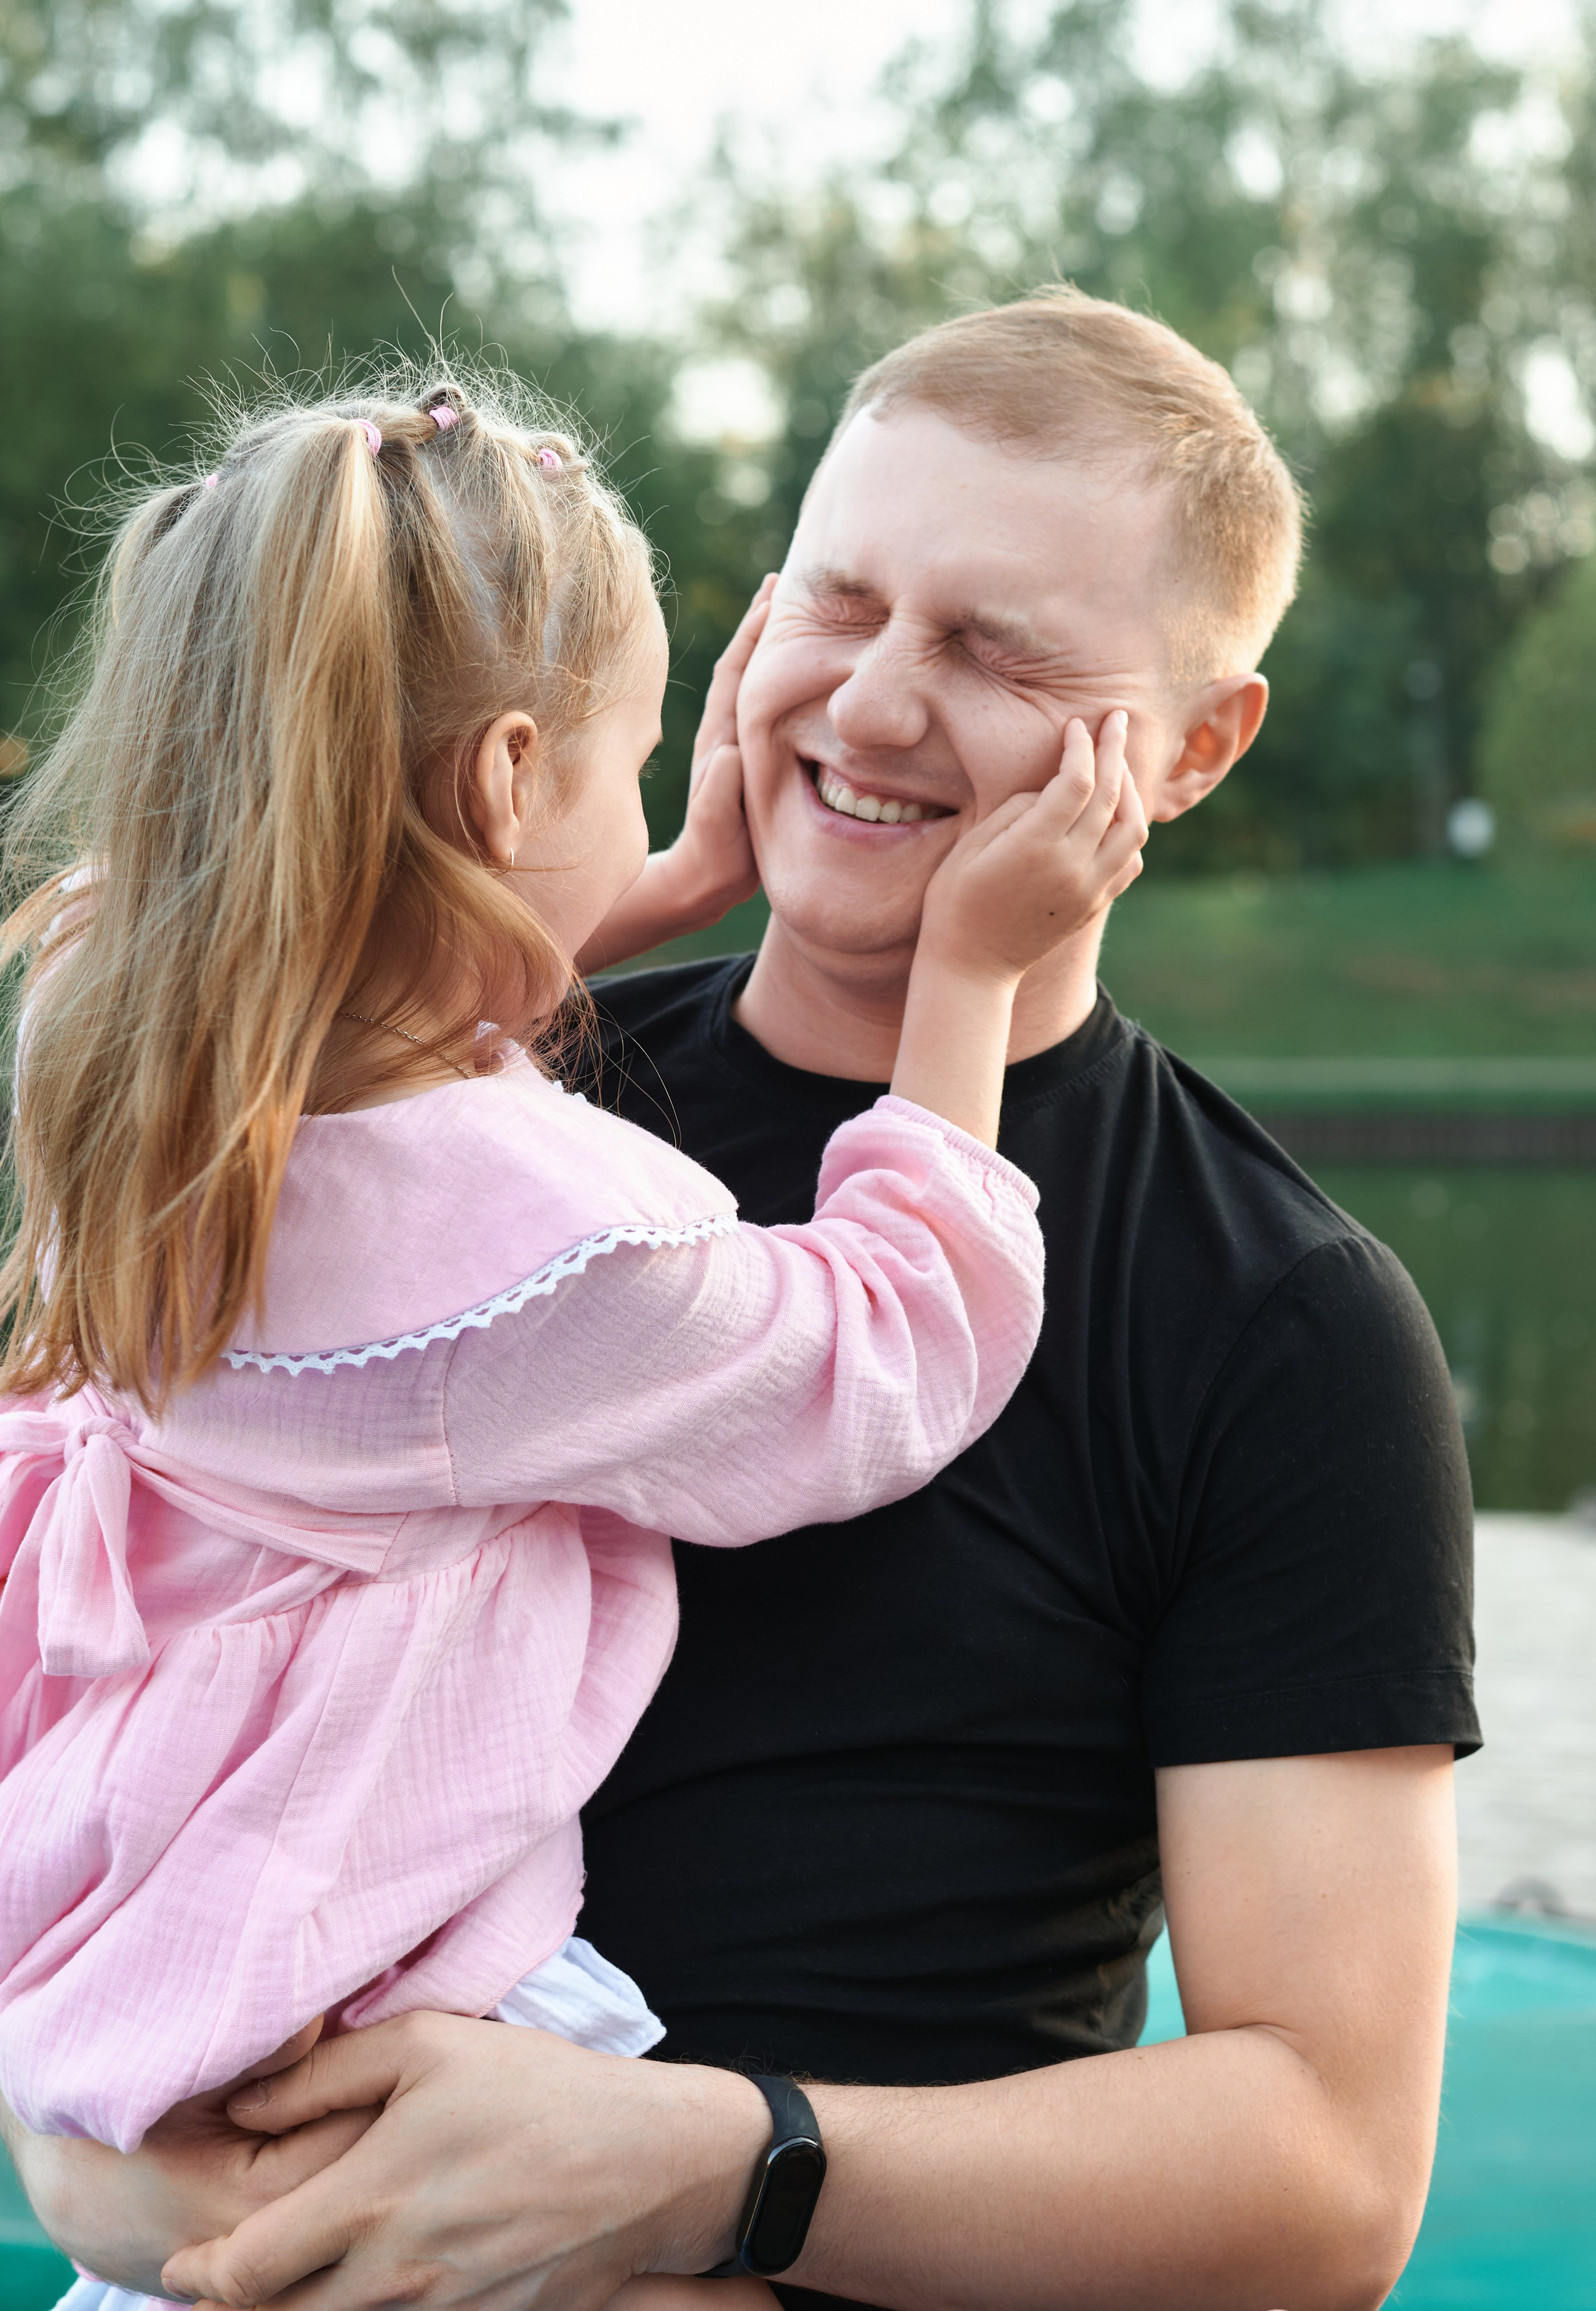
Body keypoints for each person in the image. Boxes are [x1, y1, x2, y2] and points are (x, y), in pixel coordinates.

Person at [7, 292, 1478, 2311]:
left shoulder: (1286, 1322)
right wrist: (111, 2164)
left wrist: (723, 2159)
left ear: (1194, 744)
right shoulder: (425, 1125)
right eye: (842, 603)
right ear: (754, 615)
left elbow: (1327, 2180)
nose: (873, 705)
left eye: (995, 648)